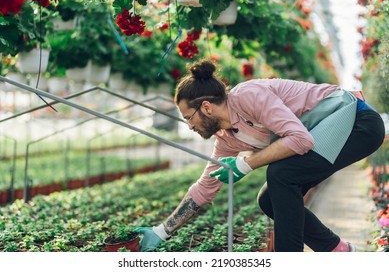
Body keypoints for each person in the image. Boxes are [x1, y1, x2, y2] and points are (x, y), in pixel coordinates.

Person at [134, 59, 385, 252]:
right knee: (268, 199)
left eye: (189, 117)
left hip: (357, 123)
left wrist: (247, 163)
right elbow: (205, 188)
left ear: (207, 108)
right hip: (333, 133)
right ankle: (338, 250)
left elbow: (301, 139)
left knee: (281, 174)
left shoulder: (248, 96)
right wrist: (162, 231)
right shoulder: (227, 138)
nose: (189, 126)